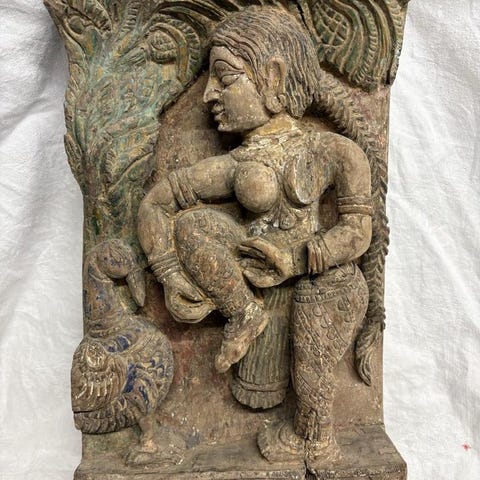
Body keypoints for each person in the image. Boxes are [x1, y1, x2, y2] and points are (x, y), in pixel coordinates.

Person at [138, 6, 372, 463]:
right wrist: (169, 275)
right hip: (261, 285)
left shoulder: (334, 152)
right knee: (192, 224)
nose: (209, 94)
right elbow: (156, 204)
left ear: (273, 77)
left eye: (224, 78)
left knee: (319, 308)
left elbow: (358, 231)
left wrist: (298, 260)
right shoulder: (237, 165)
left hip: (321, 285)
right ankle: (245, 314)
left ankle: (317, 440)